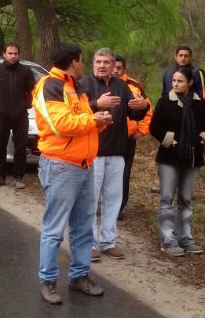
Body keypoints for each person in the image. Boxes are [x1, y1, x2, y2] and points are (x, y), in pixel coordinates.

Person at [34, 43, 113, 305]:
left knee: (82, 227)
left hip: (83, 164)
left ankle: (79, 276)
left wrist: (98, 122)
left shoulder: (75, 87)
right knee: (54, 229)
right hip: (60, 165)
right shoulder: (51, 86)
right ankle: (48, 280)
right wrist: (94, 120)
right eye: (82, 60)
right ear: (73, 62)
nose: (84, 64)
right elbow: (61, 125)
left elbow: (82, 125)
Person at [78, 48, 149, 262]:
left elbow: (133, 113)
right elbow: (76, 113)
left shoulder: (121, 86)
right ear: (93, 64)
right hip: (94, 152)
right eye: (98, 61)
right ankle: (89, 243)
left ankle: (108, 242)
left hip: (118, 152)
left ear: (113, 65)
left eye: (106, 62)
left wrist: (141, 107)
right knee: (90, 200)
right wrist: (95, 105)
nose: (101, 65)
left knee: (113, 200)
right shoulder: (84, 85)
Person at [149, 66, 205, 257]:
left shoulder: (199, 103)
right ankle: (168, 239)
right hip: (169, 157)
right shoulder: (165, 101)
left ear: (190, 83)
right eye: (174, 81)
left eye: (180, 81)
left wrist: (203, 137)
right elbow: (154, 126)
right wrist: (170, 140)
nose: (175, 84)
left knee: (185, 199)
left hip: (192, 157)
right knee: (167, 198)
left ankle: (185, 236)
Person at [0, 43, 36, 189]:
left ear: (19, 54)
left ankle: (19, 177)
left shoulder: (25, 71)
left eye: (15, 53)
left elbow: (33, 91)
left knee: (20, 147)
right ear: (4, 54)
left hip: (20, 116)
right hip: (1, 115)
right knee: (0, 146)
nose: (13, 56)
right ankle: (0, 176)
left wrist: (26, 104)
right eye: (10, 53)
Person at [113, 55, 153, 220]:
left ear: (124, 69)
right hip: (104, 138)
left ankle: (119, 208)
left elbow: (148, 110)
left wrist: (141, 131)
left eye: (119, 68)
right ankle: (102, 204)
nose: (115, 70)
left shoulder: (135, 86)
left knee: (124, 174)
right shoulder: (101, 83)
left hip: (127, 138)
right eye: (113, 67)